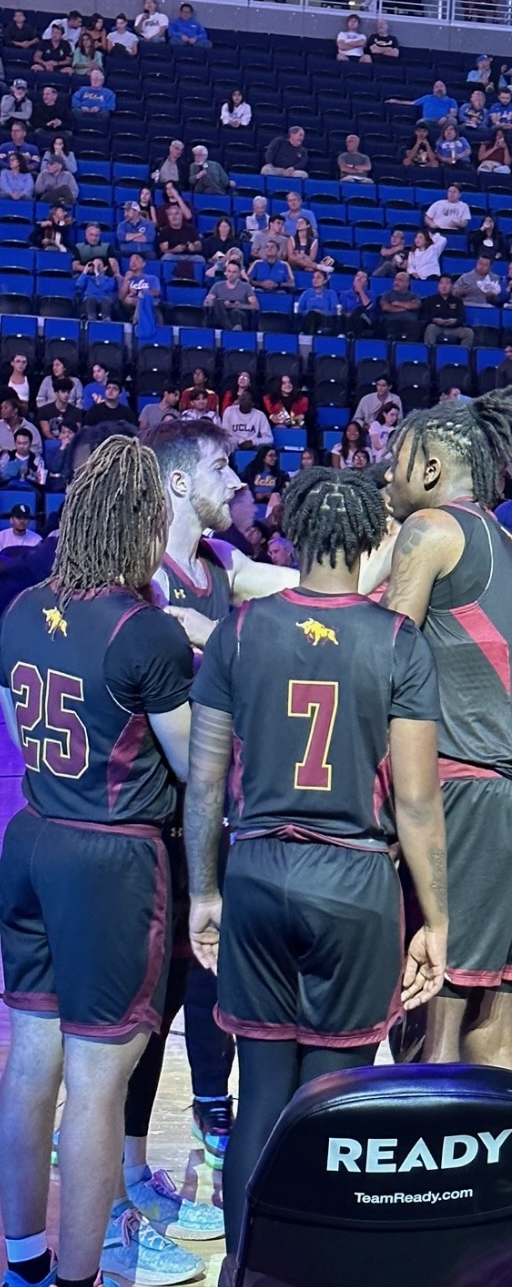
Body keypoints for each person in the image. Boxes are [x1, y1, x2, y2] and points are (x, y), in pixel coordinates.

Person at [185, 468, 447, 1270]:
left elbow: (204, 782)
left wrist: (204, 888)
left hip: (260, 867)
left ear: (289, 533)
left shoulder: (238, 628)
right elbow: (414, 802)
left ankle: (243, 1267)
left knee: (261, 1093)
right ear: (375, 538)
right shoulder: (399, 640)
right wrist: (436, 918)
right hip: (355, 882)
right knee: (335, 1105)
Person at [0, 436, 194, 1287]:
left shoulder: (17, 609)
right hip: (112, 859)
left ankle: (22, 1259)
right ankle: (86, 1271)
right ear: (147, 522)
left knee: (30, 1055)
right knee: (98, 1080)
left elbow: (19, 736)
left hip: (33, 835)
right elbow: (195, 770)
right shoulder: (146, 629)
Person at [383, 393, 512, 1068]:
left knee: (428, 1030)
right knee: (490, 1032)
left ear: (430, 467)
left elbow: (386, 654)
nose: (383, 476)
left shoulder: (431, 527)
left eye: (393, 462)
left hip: (472, 793)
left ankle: (425, 1178)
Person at [204, 259, 259, 331]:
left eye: (234, 272)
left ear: (239, 274)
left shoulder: (246, 287)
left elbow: (255, 306)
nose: (231, 274)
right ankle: (231, 329)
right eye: (229, 271)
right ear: (225, 272)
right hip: (220, 314)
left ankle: (231, 328)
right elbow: (206, 303)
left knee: (235, 312)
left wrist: (241, 306)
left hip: (238, 314)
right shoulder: (217, 286)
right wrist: (222, 304)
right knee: (218, 302)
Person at [421, 273, 473, 347]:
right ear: (438, 285)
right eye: (441, 283)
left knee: (469, 332)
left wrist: (455, 321)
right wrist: (434, 320)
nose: (444, 286)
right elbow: (424, 316)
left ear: (452, 286)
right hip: (437, 327)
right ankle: (429, 353)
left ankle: (462, 355)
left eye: (447, 283)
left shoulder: (458, 301)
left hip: (453, 328)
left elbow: (462, 318)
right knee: (430, 328)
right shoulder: (430, 300)